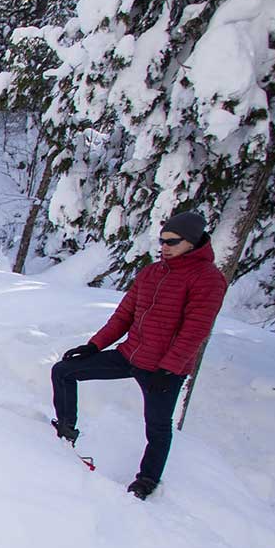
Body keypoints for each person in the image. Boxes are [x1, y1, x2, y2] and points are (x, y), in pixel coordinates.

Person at [50, 209, 226, 501]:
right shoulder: (152, 273)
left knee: (157, 427)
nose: (164, 247)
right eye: (162, 240)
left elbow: (195, 331)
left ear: (193, 242)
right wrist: (94, 346)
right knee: (63, 371)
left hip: (164, 369)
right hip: (130, 355)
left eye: (172, 241)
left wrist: (168, 368)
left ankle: (147, 481)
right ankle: (66, 431)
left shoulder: (208, 279)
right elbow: (124, 316)